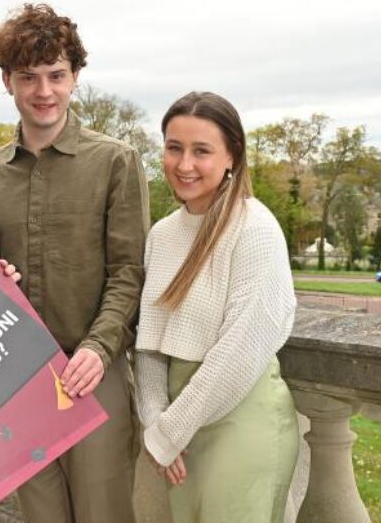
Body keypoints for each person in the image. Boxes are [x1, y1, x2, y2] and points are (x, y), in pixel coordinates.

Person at [0, 3, 149, 523]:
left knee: (103, 514)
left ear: (75, 78)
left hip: (94, 369)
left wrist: (99, 346)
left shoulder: (116, 160)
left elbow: (129, 271)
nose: (43, 91)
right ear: (8, 81)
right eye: (28, 77)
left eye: (56, 75)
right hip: (17, 381)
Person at [134, 91, 299, 522]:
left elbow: (240, 353)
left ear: (232, 156)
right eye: (174, 148)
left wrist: (170, 432)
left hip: (241, 425)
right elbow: (149, 345)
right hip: (178, 432)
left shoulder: (255, 228)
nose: (184, 165)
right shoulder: (162, 235)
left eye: (201, 151)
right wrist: (155, 420)